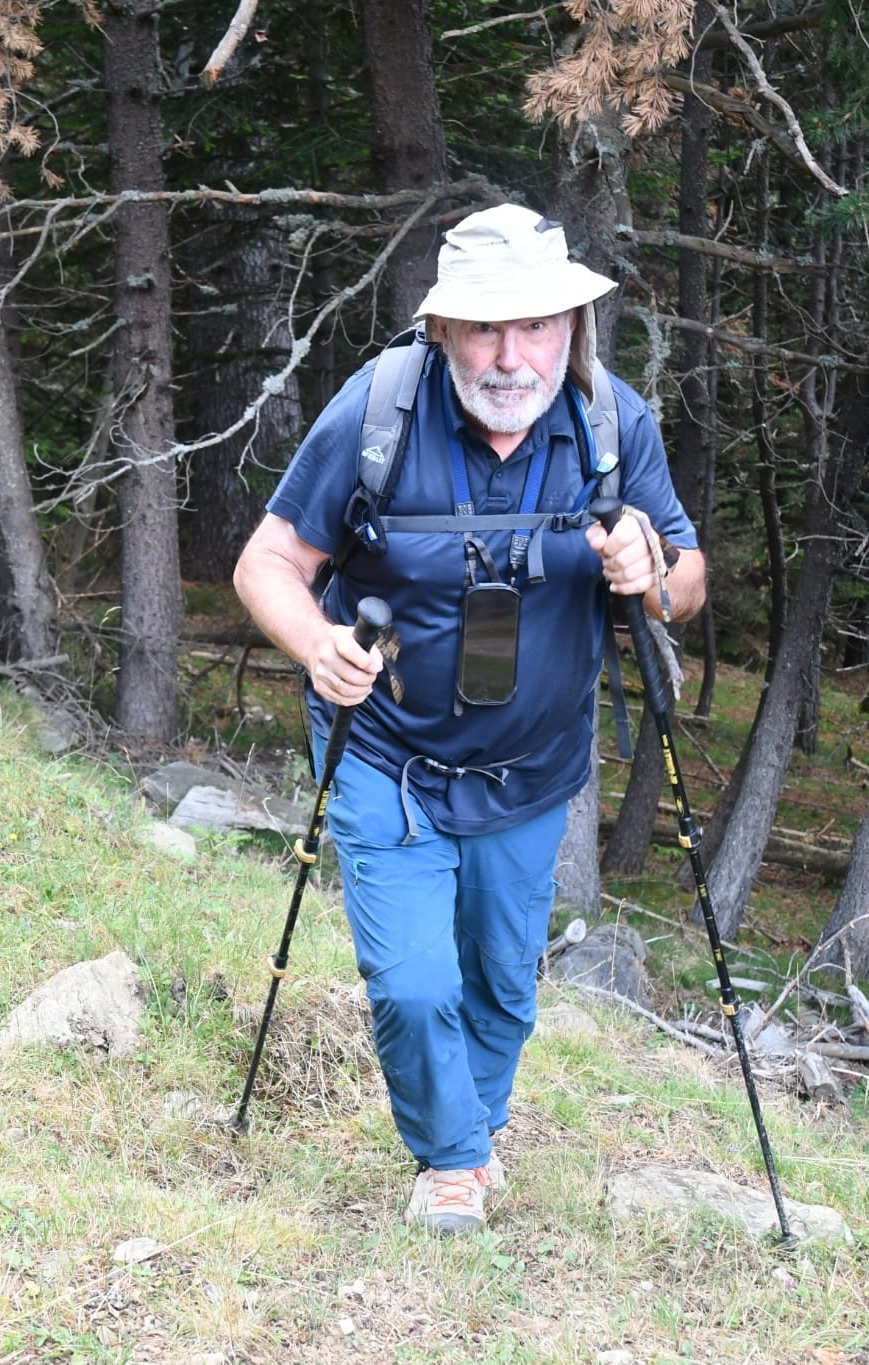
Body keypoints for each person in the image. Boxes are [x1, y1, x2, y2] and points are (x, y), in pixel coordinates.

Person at [233, 203, 705, 1234]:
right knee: (410, 983)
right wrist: (317, 644)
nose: (510, 355)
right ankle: (449, 1161)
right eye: (486, 328)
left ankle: (474, 1133)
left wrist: (653, 570)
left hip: (531, 766)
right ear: (443, 327)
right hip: (386, 753)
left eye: (534, 325)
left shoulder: (611, 424)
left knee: (500, 982)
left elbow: (686, 584)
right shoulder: (377, 414)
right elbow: (266, 562)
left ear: (570, 327)